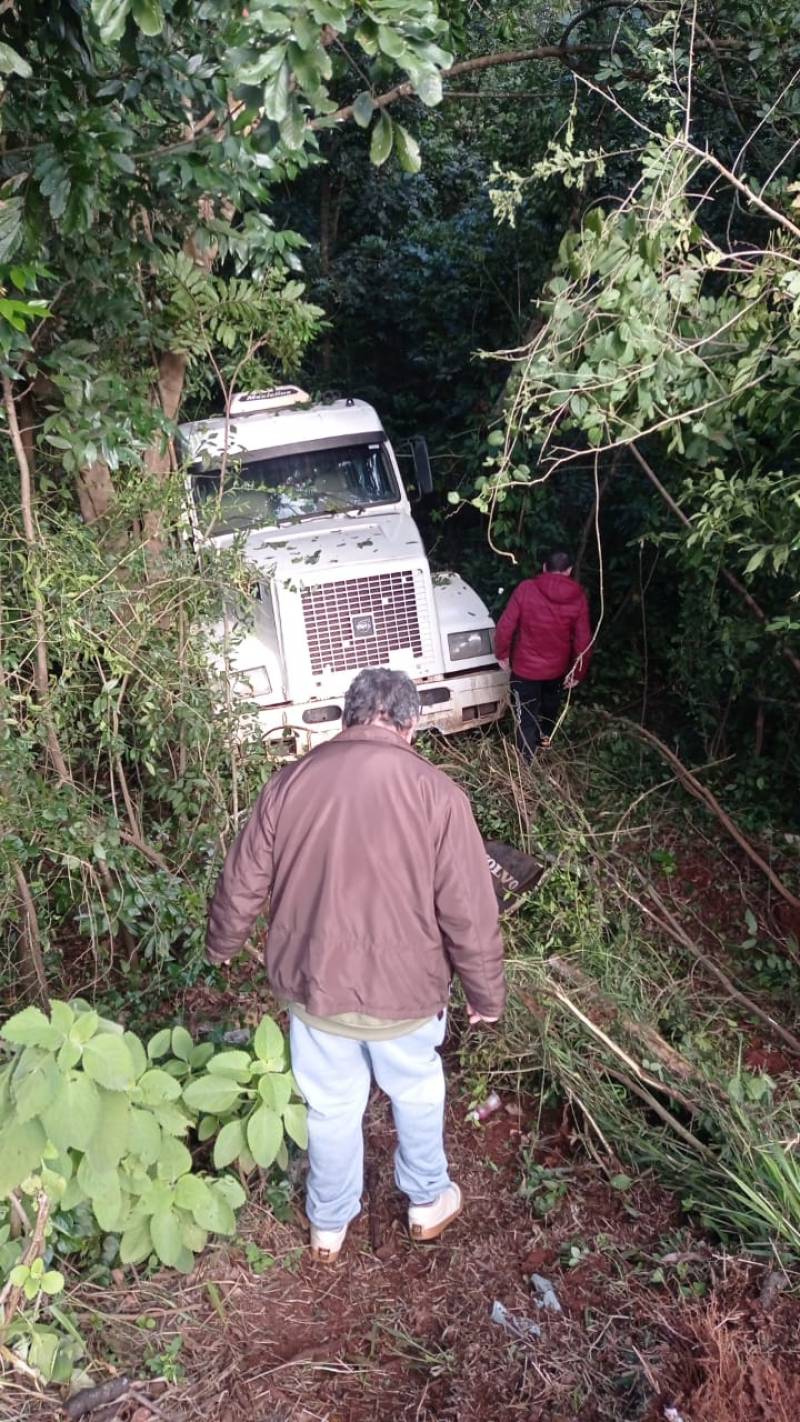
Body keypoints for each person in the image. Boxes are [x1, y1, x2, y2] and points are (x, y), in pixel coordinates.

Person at [206, 667, 506, 1264]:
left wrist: (222, 943)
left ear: (347, 716)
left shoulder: (290, 783)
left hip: (317, 990)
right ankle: (425, 1203)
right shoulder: (439, 795)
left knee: (331, 1106)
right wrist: (485, 993)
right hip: (409, 995)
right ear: (410, 722)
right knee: (417, 1091)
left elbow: (242, 878)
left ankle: (328, 1225)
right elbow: (469, 910)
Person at [494, 549, 593, 760]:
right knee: (548, 713)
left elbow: (505, 626)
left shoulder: (526, 589)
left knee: (526, 718)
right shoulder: (578, 598)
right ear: (569, 570)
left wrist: (502, 654)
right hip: (556, 672)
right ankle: (544, 747)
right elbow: (583, 640)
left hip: (524, 672)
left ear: (544, 568)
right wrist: (578, 672)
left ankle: (525, 765)